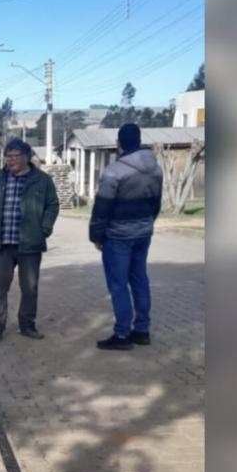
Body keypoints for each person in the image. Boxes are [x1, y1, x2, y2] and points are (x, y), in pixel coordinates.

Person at [0, 138, 61, 342]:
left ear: (26, 157)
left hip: (30, 244)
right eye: (8, 156)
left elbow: (53, 205)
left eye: (16, 156)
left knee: (30, 288)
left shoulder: (42, 180)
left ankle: (27, 325)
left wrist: (45, 229)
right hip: (2, 244)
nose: (11, 160)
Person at [89, 123, 163, 351]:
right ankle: (142, 330)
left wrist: (96, 236)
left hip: (118, 236)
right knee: (140, 279)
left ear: (119, 144)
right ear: (139, 141)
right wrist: (147, 223)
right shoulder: (155, 169)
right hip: (143, 233)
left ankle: (122, 334)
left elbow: (102, 207)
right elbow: (156, 203)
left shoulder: (114, 172)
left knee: (118, 285)